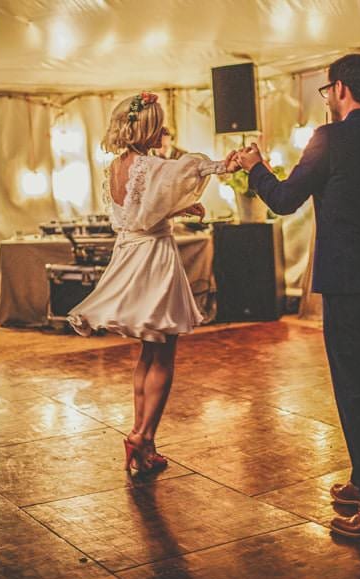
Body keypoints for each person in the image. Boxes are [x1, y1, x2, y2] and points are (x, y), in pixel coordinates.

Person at [234, 53, 360, 539]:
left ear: (339, 89)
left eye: (327, 90)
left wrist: (256, 168)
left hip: (348, 280)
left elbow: (284, 200)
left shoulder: (329, 139)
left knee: (354, 392)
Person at [67, 92, 238, 474]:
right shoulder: (152, 165)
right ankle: (142, 436)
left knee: (148, 351)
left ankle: (143, 438)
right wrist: (223, 165)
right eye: (158, 124)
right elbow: (190, 169)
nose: (162, 131)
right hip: (155, 259)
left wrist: (178, 208)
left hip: (129, 254)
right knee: (164, 351)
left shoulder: (115, 167)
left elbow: (138, 212)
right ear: (147, 128)